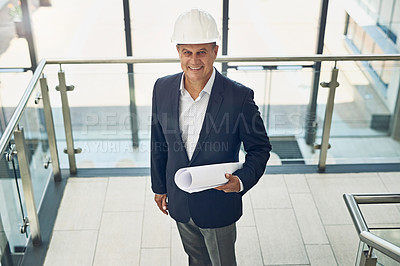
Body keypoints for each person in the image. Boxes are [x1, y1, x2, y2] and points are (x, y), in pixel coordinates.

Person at [151, 8, 271, 266]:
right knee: (195, 259)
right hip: (180, 200)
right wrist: (159, 186)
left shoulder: (239, 97)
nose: (194, 60)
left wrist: (240, 182)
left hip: (219, 203)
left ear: (215, 52)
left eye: (202, 52)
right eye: (187, 52)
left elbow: (260, 149)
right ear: (179, 53)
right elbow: (158, 141)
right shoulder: (162, 88)